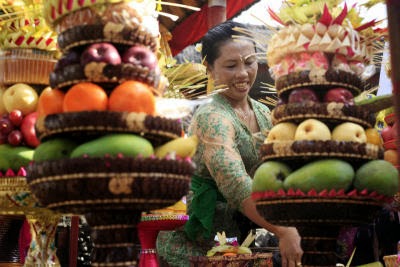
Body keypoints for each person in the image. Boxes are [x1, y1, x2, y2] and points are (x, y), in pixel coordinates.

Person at [156, 20, 303, 267]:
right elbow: (234, 182)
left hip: (233, 246)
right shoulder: (212, 116)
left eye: (249, 62)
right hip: (193, 247)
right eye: (231, 65)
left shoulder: (264, 113)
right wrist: (284, 230)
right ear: (210, 68)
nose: (243, 73)